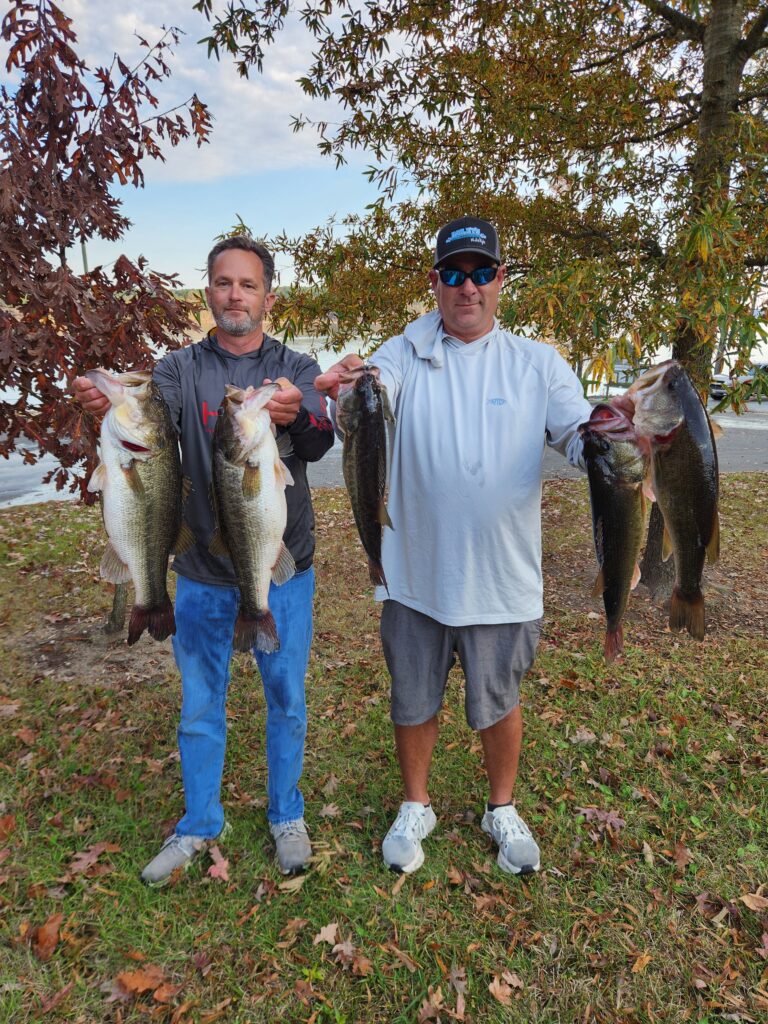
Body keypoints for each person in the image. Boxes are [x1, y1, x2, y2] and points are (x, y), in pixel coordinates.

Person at [316, 216, 592, 876]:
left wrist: (616, 439)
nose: (468, 287)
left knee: (500, 701)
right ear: (435, 282)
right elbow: (362, 405)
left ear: (500, 280)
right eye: (453, 273)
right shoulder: (402, 351)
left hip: (503, 578)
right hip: (416, 573)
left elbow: (581, 436)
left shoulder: (537, 364)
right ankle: (416, 804)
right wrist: (343, 390)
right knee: (413, 700)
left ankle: (502, 806)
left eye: (481, 272)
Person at [74, 236, 334, 884]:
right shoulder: (178, 370)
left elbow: (320, 441)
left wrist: (298, 417)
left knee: (287, 700)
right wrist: (102, 410)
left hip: (280, 571)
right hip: (197, 576)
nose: (234, 295)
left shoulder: (296, 367)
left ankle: (287, 815)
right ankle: (197, 825)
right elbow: (143, 427)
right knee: (198, 706)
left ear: (268, 296)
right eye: (223, 283)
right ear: (209, 292)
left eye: (248, 284)